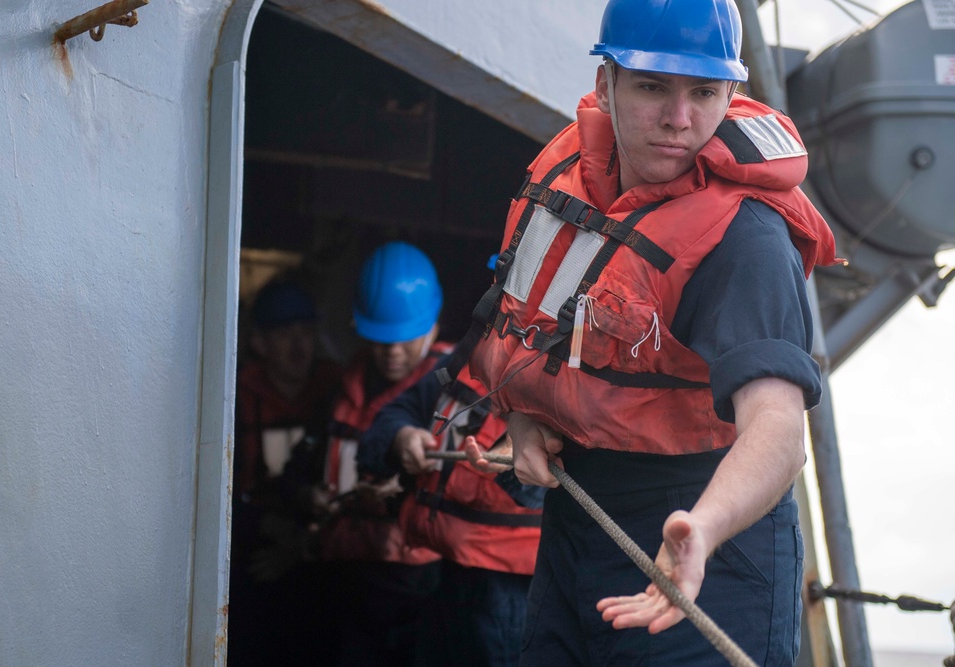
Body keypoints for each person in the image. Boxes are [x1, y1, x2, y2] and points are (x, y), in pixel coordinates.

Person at [438, 0, 840, 664]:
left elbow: (779, 427)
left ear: (731, 93)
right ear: (606, 85)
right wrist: (526, 414)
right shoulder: (568, 184)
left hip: (710, 542)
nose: (679, 119)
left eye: (704, 93)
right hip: (577, 519)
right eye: (653, 87)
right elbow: (534, 326)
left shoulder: (745, 239)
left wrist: (701, 531)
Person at [358, 359, 545, 667]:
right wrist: (400, 437)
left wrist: (513, 462)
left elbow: (572, 483)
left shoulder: (573, 363)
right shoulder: (475, 347)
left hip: (514, 586)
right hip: (445, 568)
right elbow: (399, 410)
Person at [317, 240, 450, 667]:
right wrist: (307, 497)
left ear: (432, 327)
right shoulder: (345, 385)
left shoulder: (457, 391)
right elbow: (311, 460)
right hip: (345, 572)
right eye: (380, 338)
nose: (392, 352)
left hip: (423, 584)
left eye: (405, 340)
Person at [228, 278, 341, 667]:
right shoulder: (233, 397)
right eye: (284, 335)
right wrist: (271, 530)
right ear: (259, 342)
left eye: (306, 333)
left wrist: (300, 546)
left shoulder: (336, 391)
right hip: (253, 551)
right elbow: (217, 497)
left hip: (323, 549)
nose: (298, 347)